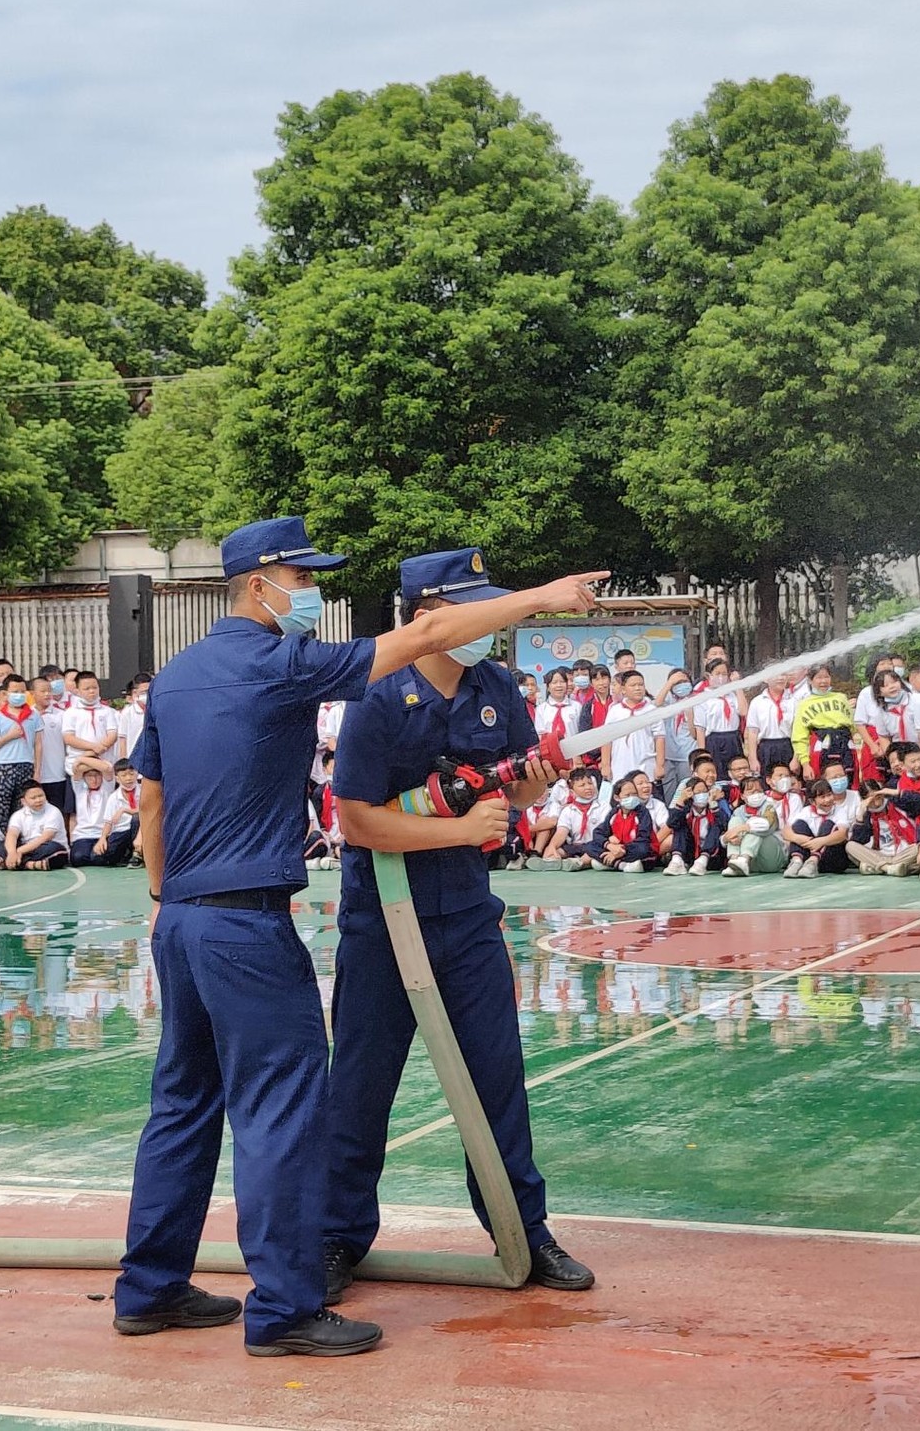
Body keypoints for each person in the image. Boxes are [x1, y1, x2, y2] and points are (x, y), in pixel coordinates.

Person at [115, 522, 603, 1361]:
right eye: (303, 576)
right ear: (261, 579)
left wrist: (164, 895)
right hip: (254, 923)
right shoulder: (281, 664)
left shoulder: (178, 675)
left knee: (183, 1105)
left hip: (185, 917)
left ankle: (150, 1286)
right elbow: (419, 638)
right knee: (284, 1113)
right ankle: (287, 1305)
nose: (311, 591)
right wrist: (545, 596)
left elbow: (150, 804)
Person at [321, 545, 598, 1325]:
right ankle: (337, 1237)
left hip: (467, 917)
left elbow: (511, 781)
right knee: (361, 1085)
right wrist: (458, 826)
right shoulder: (378, 694)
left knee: (497, 1077)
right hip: (384, 922)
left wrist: (534, 780)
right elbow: (355, 819)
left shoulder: (495, 685)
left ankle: (525, 1230)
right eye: (473, 606)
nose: (486, 623)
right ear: (429, 615)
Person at [0, 674, 42, 831]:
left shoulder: (34, 715)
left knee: (23, 808)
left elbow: (38, 744)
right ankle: (2, 845)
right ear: (5, 693)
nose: (19, 695)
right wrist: (9, 736)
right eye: (15, 691)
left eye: (22, 691)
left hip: (26, 765)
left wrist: (37, 770)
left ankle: (21, 843)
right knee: (1, 808)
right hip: (4, 766)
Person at [601, 670, 665, 791]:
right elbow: (607, 739)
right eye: (633, 685)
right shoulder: (615, 711)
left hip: (646, 767)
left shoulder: (651, 710)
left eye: (640, 685)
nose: (637, 688)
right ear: (623, 689)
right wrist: (605, 765)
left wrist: (660, 766)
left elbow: (660, 738)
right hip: (620, 767)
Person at [790, 665, 856, 781]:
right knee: (823, 784)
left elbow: (853, 726)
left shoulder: (841, 698)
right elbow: (799, 737)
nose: (823, 681)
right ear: (810, 680)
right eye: (819, 678)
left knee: (849, 778)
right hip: (821, 746)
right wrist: (805, 764)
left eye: (826, 677)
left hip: (845, 744)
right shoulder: (804, 704)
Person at [846, 781, 920, 877]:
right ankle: (889, 868)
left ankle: (878, 867)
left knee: (919, 847)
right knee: (850, 846)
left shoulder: (895, 803)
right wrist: (860, 814)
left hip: (905, 852)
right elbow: (858, 841)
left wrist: (894, 792)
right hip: (882, 854)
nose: (876, 803)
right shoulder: (867, 814)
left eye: (878, 797)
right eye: (871, 800)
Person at [664, 762, 727, 876]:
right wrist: (680, 801)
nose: (701, 795)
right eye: (698, 792)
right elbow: (671, 823)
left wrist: (713, 804)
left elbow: (724, 823)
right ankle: (677, 860)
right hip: (691, 854)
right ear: (690, 794)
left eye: (704, 792)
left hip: (712, 857)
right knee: (680, 825)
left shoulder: (713, 808)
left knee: (715, 826)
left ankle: (703, 859)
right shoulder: (687, 810)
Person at [720, 774, 787, 877]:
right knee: (735, 821)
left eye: (759, 790)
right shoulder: (739, 811)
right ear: (742, 795)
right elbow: (726, 836)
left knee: (755, 827)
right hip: (752, 864)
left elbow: (766, 825)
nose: (756, 794)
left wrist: (743, 828)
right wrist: (726, 838)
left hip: (770, 860)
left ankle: (744, 859)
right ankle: (734, 860)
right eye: (751, 791)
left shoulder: (769, 806)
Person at [783, 778, 851, 877]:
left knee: (828, 824)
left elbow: (842, 834)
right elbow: (786, 831)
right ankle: (796, 862)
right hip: (809, 852)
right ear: (812, 801)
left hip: (832, 859)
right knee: (799, 824)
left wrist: (820, 841)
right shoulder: (806, 811)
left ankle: (813, 862)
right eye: (822, 797)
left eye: (829, 795)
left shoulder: (839, 810)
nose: (828, 800)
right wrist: (798, 838)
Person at [589, 777, 659, 872]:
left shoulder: (642, 812)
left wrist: (622, 850)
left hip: (634, 849)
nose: (632, 798)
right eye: (627, 795)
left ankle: (612, 863)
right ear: (617, 797)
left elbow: (643, 838)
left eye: (634, 794)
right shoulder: (614, 813)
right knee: (589, 846)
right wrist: (609, 846)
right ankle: (622, 865)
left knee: (643, 849)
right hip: (617, 848)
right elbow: (598, 832)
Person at [692, 657, 747, 776]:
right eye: (717, 674)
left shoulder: (732, 695)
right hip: (714, 741)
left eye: (724, 674)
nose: (721, 677)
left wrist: (738, 686)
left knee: (736, 773)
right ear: (708, 675)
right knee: (717, 773)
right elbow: (700, 729)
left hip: (733, 739)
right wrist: (702, 754)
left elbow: (743, 711)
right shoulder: (703, 698)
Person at [0, 780, 70, 871]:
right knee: (1, 845)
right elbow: (12, 834)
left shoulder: (53, 811)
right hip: (27, 848)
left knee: (56, 849)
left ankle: (17, 863)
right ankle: (31, 864)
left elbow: (45, 838)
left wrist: (19, 851)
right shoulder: (18, 815)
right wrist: (11, 852)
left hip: (43, 847)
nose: (38, 800)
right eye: (33, 798)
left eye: (41, 796)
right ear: (23, 801)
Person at [62, 672, 119, 775]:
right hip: (79, 765)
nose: (92, 691)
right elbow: (69, 738)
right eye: (86, 689)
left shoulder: (107, 711)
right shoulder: (70, 712)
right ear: (77, 691)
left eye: (95, 687)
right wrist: (93, 747)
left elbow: (113, 734)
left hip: (104, 763)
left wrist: (101, 747)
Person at [31, 675, 72, 817]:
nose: (47, 694)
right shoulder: (28, 716)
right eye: (43, 691)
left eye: (49, 690)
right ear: (32, 694)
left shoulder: (62, 715)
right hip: (35, 775)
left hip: (57, 774)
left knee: (58, 813)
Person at [743, 674, 797, 779]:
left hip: (788, 745)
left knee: (789, 779)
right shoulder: (757, 702)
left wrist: (796, 758)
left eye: (783, 674)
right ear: (766, 678)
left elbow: (798, 731)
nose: (781, 678)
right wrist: (753, 759)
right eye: (776, 674)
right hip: (765, 747)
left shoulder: (794, 700)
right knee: (766, 779)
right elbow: (752, 732)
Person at [655, 667, 697, 800]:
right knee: (669, 792)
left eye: (684, 681)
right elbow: (656, 703)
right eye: (677, 683)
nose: (681, 685)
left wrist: (690, 715)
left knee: (687, 789)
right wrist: (669, 683)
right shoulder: (668, 701)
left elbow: (695, 732)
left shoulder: (696, 700)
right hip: (669, 755)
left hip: (687, 754)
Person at [118, 673, 153, 762]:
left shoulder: (156, 709)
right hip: (134, 759)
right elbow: (122, 739)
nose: (147, 695)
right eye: (144, 692)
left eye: (150, 691)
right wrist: (123, 761)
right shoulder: (127, 712)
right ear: (135, 693)